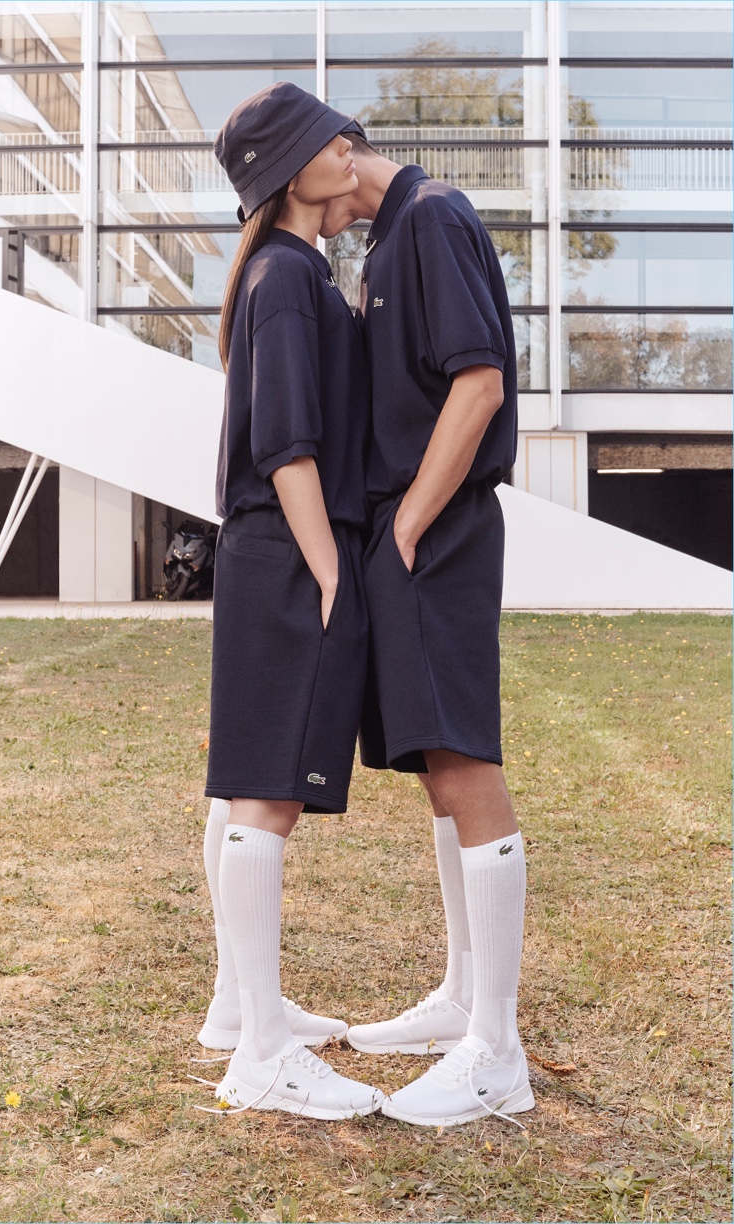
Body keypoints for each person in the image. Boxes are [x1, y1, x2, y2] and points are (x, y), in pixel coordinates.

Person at [319, 134, 535, 1127]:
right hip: (409, 534)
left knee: (461, 760)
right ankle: (462, 1000)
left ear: (341, 151)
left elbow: (477, 380)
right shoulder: (387, 241)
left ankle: (496, 1049)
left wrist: (407, 524)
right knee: (431, 767)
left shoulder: (433, 214)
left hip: (435, 530)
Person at [199, 83, 382, 1120]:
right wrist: (325, 573)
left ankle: (242, 1006)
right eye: (327, 138)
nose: (346, 147)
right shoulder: (282, 275)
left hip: (275, 552)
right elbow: (287, 446)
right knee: (266, 793)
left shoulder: (295, 273)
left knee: (243, 790)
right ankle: (261, 1055)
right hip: (288, 553)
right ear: (287, 171)